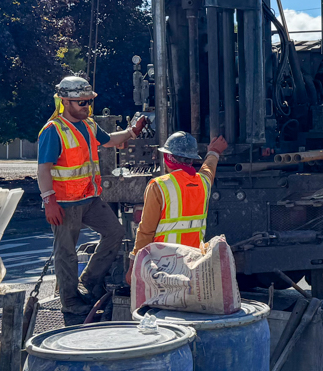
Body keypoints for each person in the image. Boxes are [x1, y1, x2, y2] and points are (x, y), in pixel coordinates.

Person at [37, 76, 143, 315]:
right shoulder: (53, 131)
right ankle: (71, 302)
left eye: (88, 102)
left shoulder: (89, 125)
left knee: (115, 233)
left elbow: (110, 141)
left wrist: (132, 132)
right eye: (81, 103)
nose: (86, 107)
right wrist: (49, 200)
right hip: (64, 203)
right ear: (64, 101)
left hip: (89, 198)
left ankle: (90, 280)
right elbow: (43, 168)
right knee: (66, 254)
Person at [130, 131, 226, 257]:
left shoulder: (158, 186)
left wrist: (134, 260)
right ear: (191, 159)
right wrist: (214, 152)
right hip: (193, 260)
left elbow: (146, 231)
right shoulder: (203, 183)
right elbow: (209, 168)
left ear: (167, 158)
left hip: (164, 263)